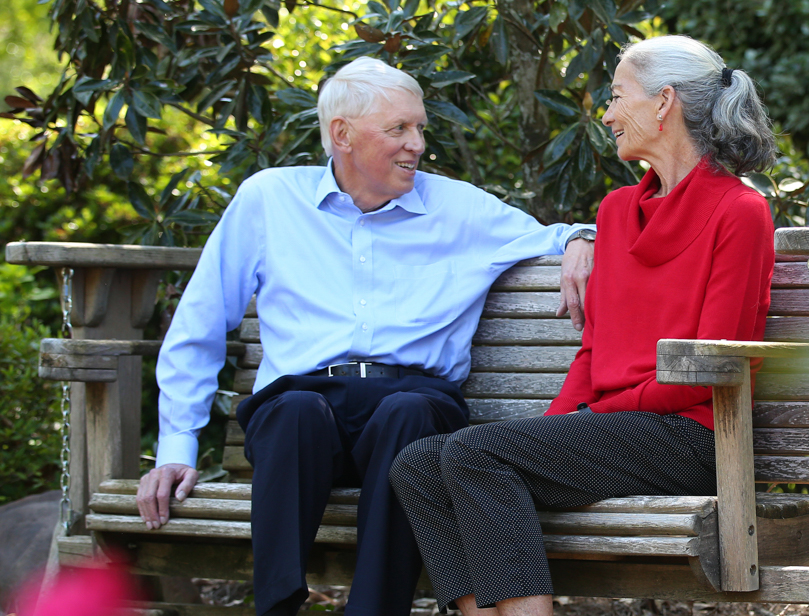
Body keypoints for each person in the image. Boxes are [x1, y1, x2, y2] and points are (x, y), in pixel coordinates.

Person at [132, 57, 596, 616]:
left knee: (407, 415)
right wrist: (176, 445)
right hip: (304, 413)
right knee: (293, 412)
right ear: (341, 135)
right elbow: (199, 323)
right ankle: (274, 607)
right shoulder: (269, 200)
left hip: (412, 407)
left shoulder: (460, 209)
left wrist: (581, 241)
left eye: (420, 127)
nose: (417, 144)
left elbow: (557, 235)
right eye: (399, 129)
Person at [391, 35, 776, 616]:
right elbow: (593, 352)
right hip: (616, 428)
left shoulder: (740, 212)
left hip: (692, 435)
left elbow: (709, 371)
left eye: (618, 97)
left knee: (474, 455)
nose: (607, 114)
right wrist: (551, 431)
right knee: (418, 464)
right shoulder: (616, 214)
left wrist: (594, 416)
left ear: (664, 103)